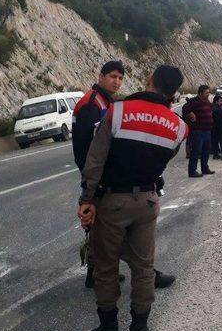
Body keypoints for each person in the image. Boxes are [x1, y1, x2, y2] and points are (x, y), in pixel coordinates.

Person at [77, 65, 187, 331]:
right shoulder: (178, 127)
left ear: (149, 80)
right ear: (174, 92)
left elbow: (95, 161)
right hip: (148, 201)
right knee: (143, 267)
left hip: (112, 203)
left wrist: (87, 200)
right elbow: (162, 159)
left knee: (105, 267)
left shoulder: (118, 111)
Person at [72, 61, 176, 290]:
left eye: (120, 78)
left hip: (105, 178)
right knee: (118, 233)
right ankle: (147, 273)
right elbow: (88, 150)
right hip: (102, 180)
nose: (117, 81)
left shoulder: (107, 102)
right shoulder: (92, 104)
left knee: (102, 230)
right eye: (112, 76)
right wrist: (92, 185)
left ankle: (95, 271)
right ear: (100, 76)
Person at [182, 84, 215, 177]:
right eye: (206, 93)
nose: (208, 94)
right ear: (200, 93)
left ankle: (205, 168)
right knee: (196, 151)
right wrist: (190, 113)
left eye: (209, 92)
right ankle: (192, 171)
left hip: (207, 131)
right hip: (198, 131)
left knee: (206, 150)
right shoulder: (193, 101)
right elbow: (185, 109)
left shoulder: (207, 102)